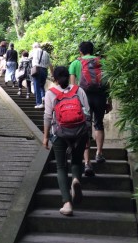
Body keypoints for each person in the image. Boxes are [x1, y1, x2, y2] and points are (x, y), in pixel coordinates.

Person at [43, 66, 90, 216]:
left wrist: (45, 137)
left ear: (55, 78)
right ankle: (76, 179)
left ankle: (67, 203)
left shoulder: (51, 93)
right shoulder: (78, 90)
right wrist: (87, 134)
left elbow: (48, 116)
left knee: (61, 167)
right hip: (80, 133)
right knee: (77, 161)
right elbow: (87, 112)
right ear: (68, 76)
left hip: (59, 134)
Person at [69, 41, 112, 177]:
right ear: (92, 51)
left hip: (83, 98)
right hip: (99, 96)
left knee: (84, 129)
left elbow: (72, 85)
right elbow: (108, 82)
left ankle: (87, 162)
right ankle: (99, 153)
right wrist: (109, 100)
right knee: (98, 124)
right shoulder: (102, 62)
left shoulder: (75, 63)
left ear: (80, 51)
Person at [30, 42, 54, 109]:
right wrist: (52, 75)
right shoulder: (46, 53)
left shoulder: (34, 51)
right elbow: (50, 65)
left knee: (36, 87)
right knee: (41, 86)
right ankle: (43, 97)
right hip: (45, 71)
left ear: (34, 47)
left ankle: (39, 103)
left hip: (37, 70)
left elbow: (29, 58)